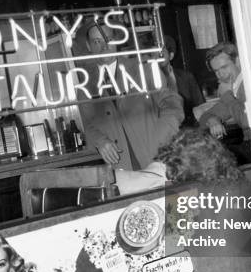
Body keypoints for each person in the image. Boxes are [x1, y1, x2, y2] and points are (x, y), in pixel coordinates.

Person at [78, 22, 184, 170]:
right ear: (89, 47)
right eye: (97, 41)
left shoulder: (143, 67)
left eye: (109, 39)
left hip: (158, 161)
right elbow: (88, 125)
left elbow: (172, 102)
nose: (104, 46)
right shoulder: (86, 85)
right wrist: (100, 141)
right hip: (121, 170)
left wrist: (162, 138)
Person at [197, 42, 251, 164]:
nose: (221, 74)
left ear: (237, 61)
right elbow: (204, 118)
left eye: (224, 67)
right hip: (250, 146)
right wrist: (212, 120)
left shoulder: (249, 84)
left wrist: (226, 94)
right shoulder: (234, 88)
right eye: (216, 71)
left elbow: (247, 121)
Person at [160, 35, 204, 126]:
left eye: (161, 54)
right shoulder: (149, 81)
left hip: (189, 129)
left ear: (171, 55)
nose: (156, 57)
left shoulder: (186, 77)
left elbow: (200, 105)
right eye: (153, 54)